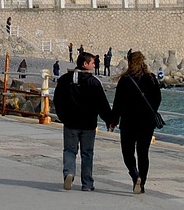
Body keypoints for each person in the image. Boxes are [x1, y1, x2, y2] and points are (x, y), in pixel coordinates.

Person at [53, 51, 116, 191]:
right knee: (87, 153)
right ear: (85, 64)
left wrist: (62, 117)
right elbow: (102, 104)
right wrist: (110, 120)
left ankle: (69, 172)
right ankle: (87, 184)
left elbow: (57, 100)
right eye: (92, 63)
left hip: (70, 123)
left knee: (69, 151)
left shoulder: (64, 79)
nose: (94, 65)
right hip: (88, 124)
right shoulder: (94, 82)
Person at [112, 51, 163, 194]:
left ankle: (135, 176)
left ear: (129, 62)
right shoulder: (151, 78)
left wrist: (113, 120)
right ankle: (143, 182)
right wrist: (150, 111)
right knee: (143, 153)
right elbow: (158, 99)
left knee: (127, 152)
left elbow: (118, 102)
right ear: (143, 61)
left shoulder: (125, 80)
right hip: (146, 123)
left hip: (128, 121)